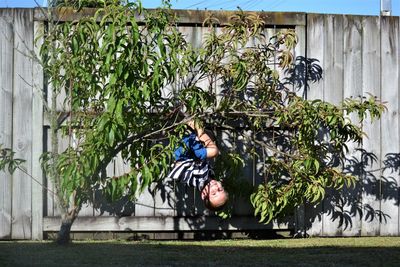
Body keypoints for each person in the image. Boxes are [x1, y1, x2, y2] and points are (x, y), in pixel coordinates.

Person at [167, 119, 228, 211]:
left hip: (182, 151)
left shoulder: (198, 180)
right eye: (220, 189)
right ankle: (197, 129)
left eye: (213, 193)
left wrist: (199, 136)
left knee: (213, 151)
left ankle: (198, 129)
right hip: (188, 150)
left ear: (204, 194)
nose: (216, 187)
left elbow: (183, 167)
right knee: (210, 141)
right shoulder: (208, 176)